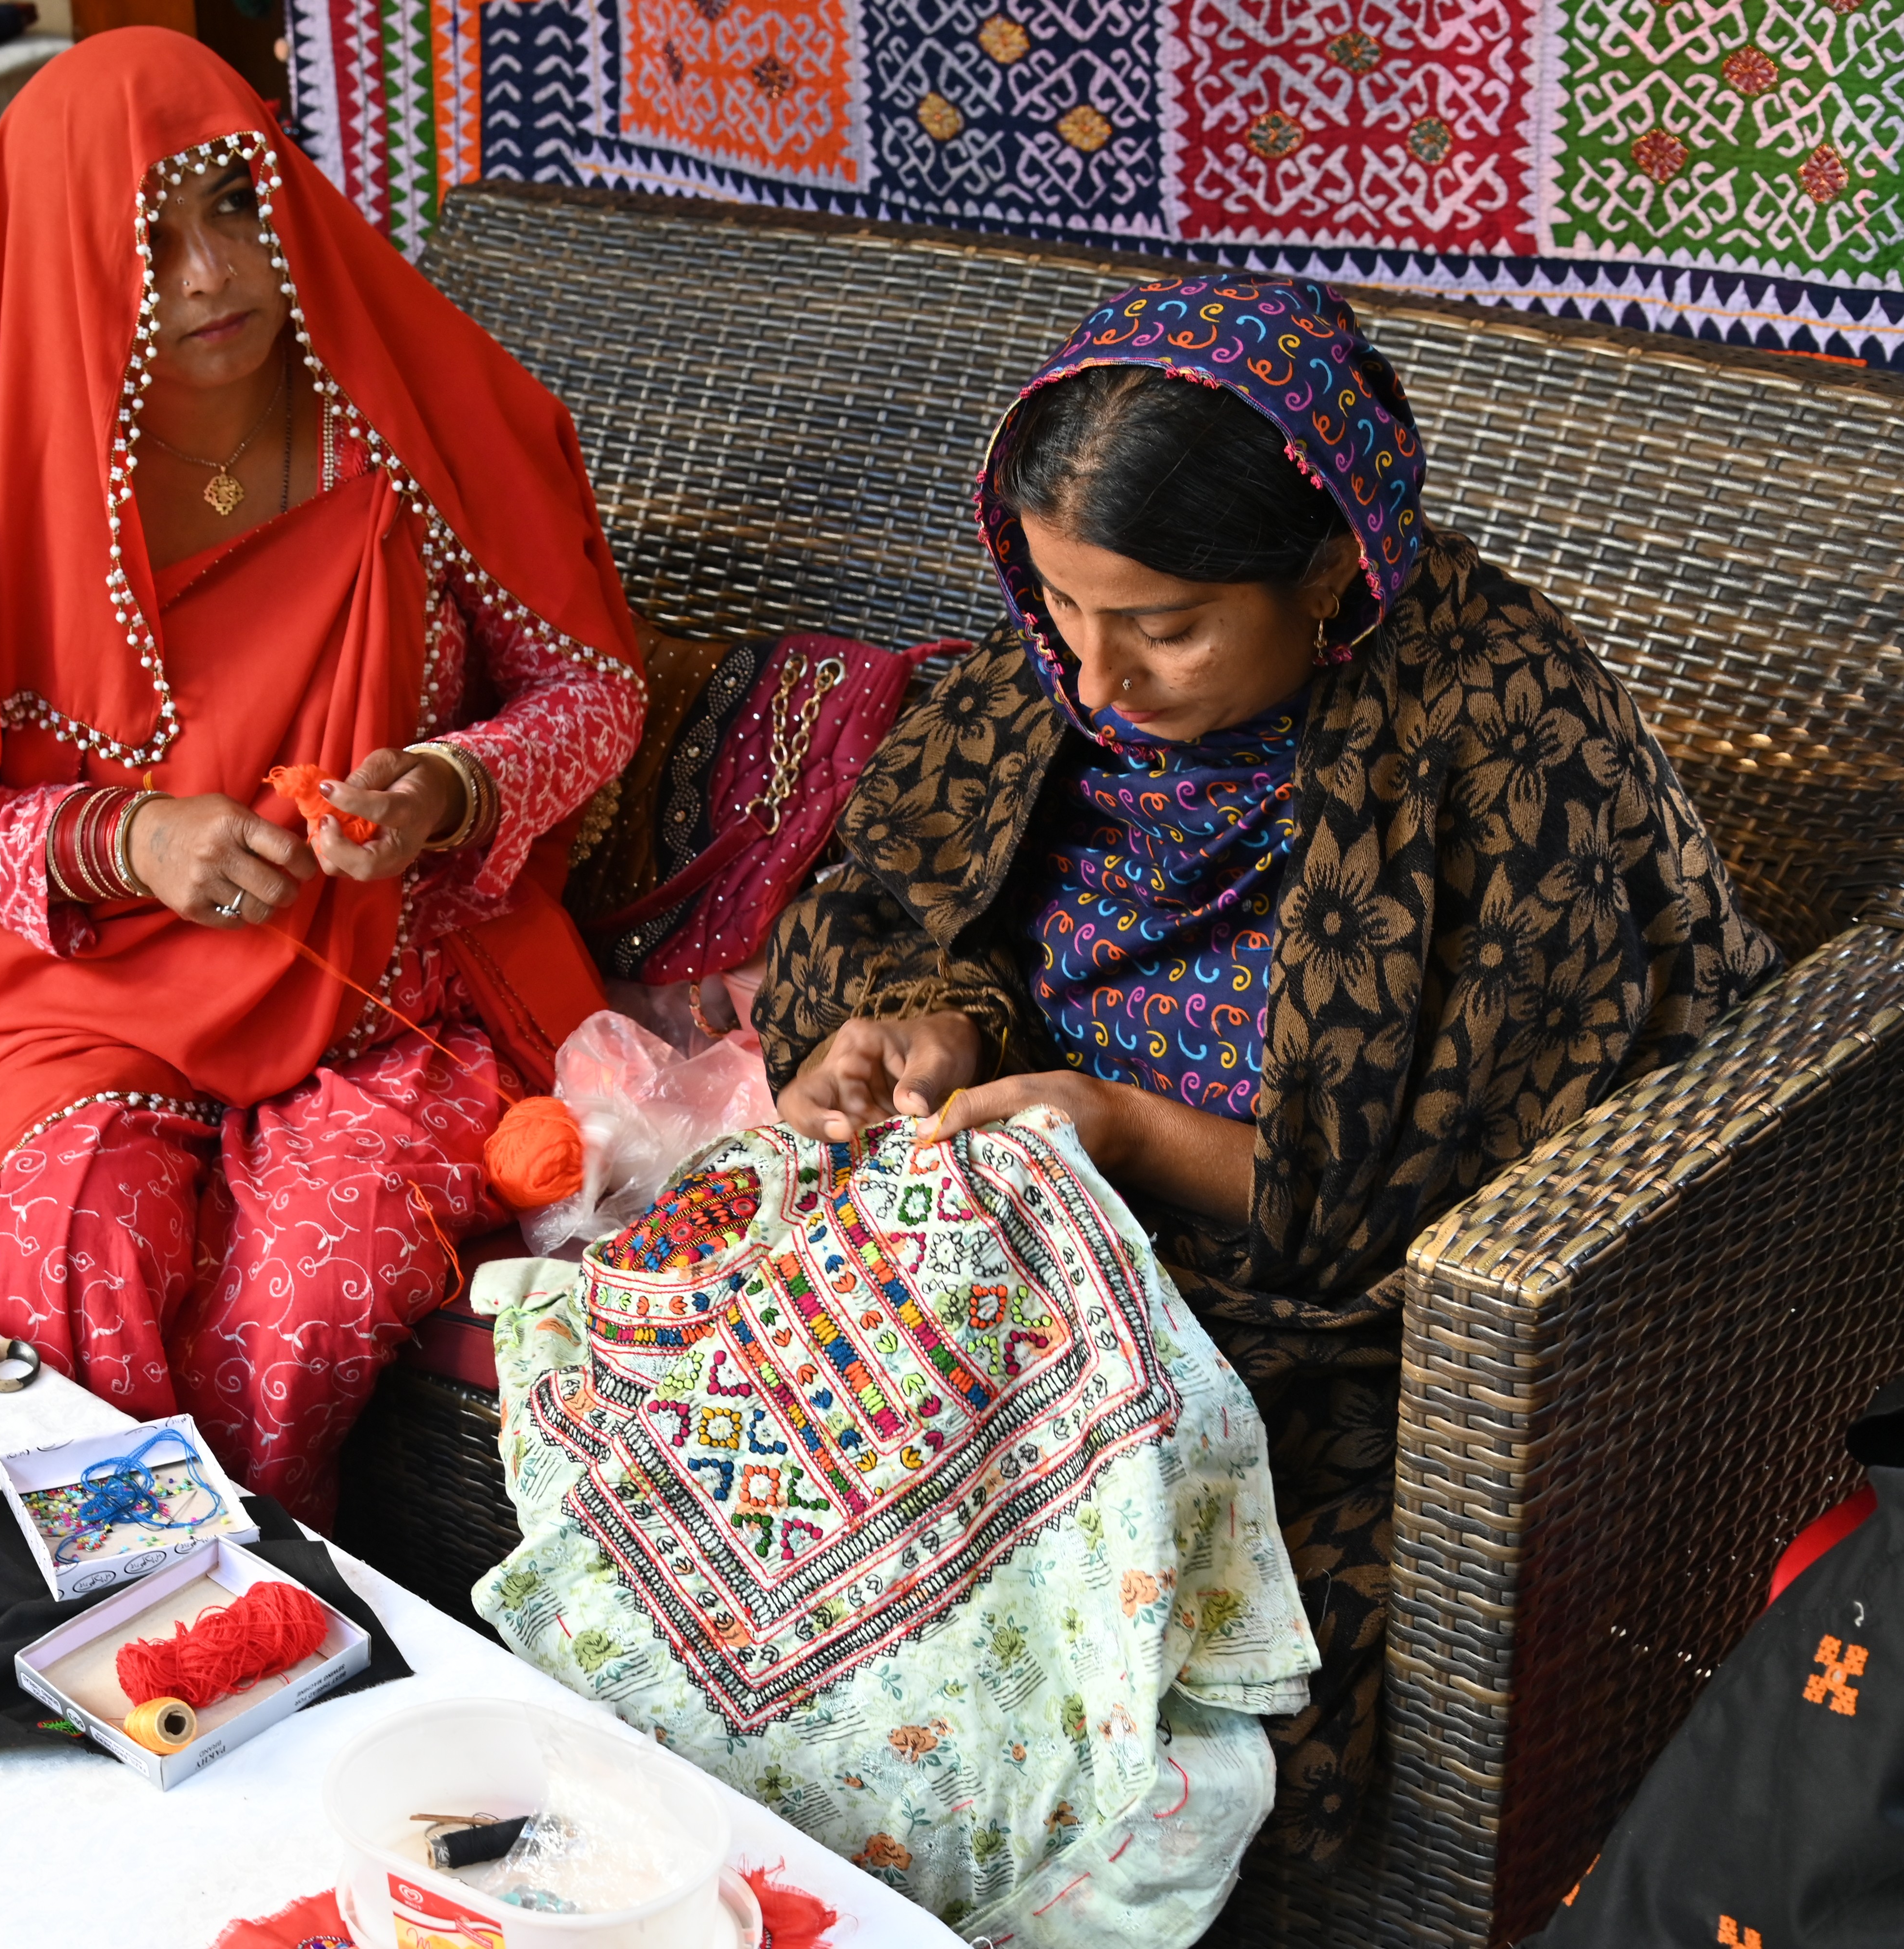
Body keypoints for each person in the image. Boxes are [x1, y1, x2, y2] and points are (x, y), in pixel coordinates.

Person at [758, 274, 1780, 1856]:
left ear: (1327, 573)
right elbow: (894, 902)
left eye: (1163, 628)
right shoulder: (1046, 690)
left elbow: (1471, 1219)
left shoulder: (1502, 751)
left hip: (1333, 1341)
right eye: (1059, 606)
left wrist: (1119, 1130)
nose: (1095, 681)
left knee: (1114, 1673)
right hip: (1038, 1249)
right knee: (763, 1488)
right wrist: (928, 1026)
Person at [0, 31, 643, 1526]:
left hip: (399, 996)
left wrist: (453, 790)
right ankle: (82, 1635)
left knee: (308, 1299)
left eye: (237, 208)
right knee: (69, 1264)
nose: (214, 275)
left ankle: (261, 1626)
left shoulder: (410, 426)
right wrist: (125, 838)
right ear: (68, 258)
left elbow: (591, 695)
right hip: (73, 1003)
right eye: (151, 242)